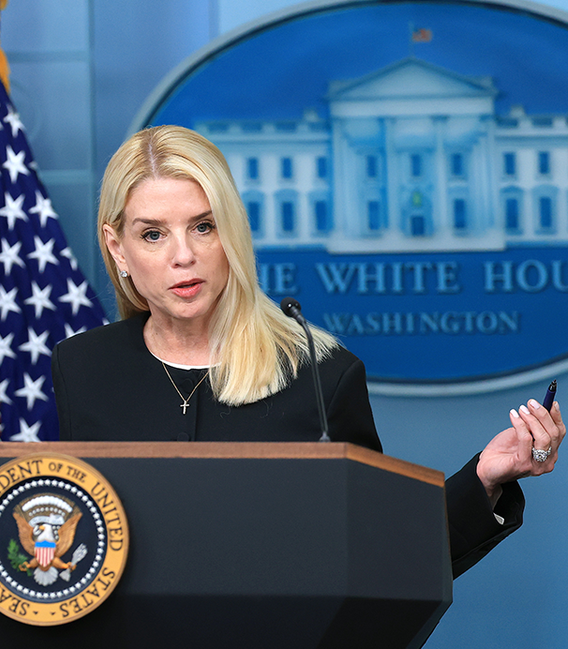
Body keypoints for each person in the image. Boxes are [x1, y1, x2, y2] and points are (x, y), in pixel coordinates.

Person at [52, 125, 563, 577]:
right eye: (154, 234)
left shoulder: (319, 375)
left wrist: (483, 480)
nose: (183, 255)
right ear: (118, 248)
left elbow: (381, 553)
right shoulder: (82, 368)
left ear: (231, 233)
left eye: (203, 227)